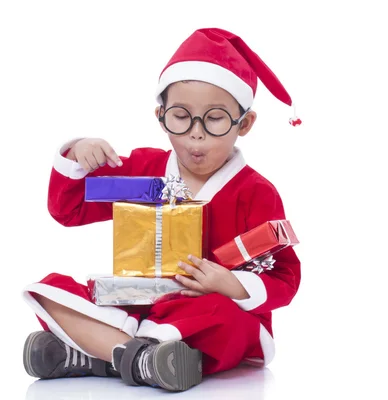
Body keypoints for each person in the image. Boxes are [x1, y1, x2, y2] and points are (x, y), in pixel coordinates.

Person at [21, 27, 301, 392]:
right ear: (161, 115)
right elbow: (68, 209)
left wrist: (229, 284)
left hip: (206, 314)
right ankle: (138, 360)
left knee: (221, 319)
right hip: (138, 304)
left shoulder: (257, 193)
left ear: (244, 123)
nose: (195, 134)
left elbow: (285, 279)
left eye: (215, 118)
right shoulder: (145, 171)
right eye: (181, 116)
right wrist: (77, 153)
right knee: (50, 290)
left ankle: (97, 354)